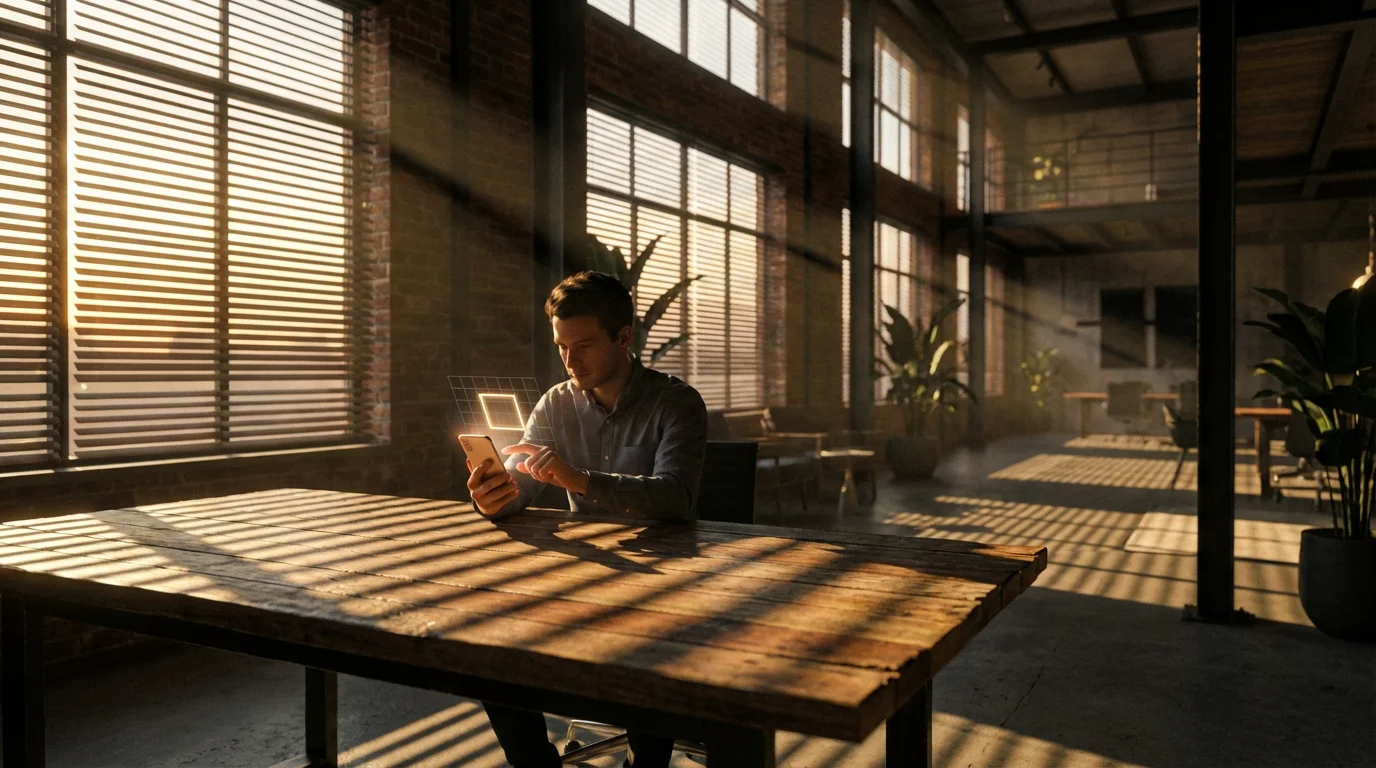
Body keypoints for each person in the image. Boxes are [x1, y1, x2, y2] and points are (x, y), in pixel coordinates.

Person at [466, 270, 708, 768]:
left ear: (624, 338)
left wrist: (578, 479)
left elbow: (675, 497)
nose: (570, 362)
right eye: (561, 347)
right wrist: (492, 497)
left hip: (664, 583)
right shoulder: (556, 403)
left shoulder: (676, 402)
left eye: (584, 346)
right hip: (583, 577)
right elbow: (519, 488)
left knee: (650, 649)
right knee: (487, 644)